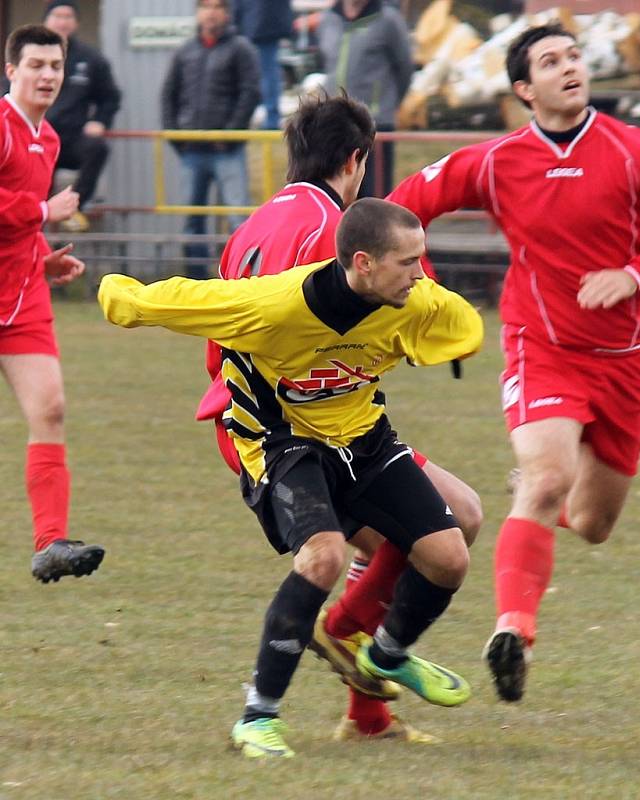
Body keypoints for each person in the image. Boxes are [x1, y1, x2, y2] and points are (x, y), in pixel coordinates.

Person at [386, 23, 640, 702]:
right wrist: (422, 293)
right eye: (550, 61)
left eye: (573, 56)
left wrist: (635, 275)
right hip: (542, 351)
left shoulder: (639, 154)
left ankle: (536, 507)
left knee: (594, 523)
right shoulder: (495, 161)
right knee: (545, 480)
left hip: (628, 362)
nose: (570, 67)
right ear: (523, 89)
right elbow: (402, 208)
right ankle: (513, 631)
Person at [98, 197, 483, 758]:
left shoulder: (416, 301)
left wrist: (451, 343)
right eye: (409, 262)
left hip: (364, 437)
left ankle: (387, 655)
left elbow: (459, 322)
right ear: (364, 263)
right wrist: (117, 295)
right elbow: (175, 299)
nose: (421, 274)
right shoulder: (274, 306)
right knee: (323, 556)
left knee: (449, 558)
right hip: (282, 444)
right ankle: (258, 717)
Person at [196, 92, 482, 742]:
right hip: (293, 432)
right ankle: (329, 661)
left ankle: (367, 707)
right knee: (401, 544)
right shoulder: (341, 234)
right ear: (357, 159)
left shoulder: (252, 225)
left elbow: (223, 332)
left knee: (452, 519)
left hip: (259, 414)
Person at [1, 24, 105, 583]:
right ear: (11, 70)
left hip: (21, 296)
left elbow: (13, 223)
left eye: (56, 66)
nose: (47, 75)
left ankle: (50, 543)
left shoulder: (51, 139)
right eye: (35, 64)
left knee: (51, 409)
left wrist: (43, 256)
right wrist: (44, 215)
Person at [160, 0, 261, 277]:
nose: (211, 12)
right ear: (197, 12)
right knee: (192, 219)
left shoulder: (241, 49)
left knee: (237, 218)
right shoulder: (185, 52)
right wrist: (175, 136)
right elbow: (169, 95)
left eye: (217, 6)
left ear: (227, 13)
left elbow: (250, 92)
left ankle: (240, 281)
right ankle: (196, 280)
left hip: (228, 151)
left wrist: (229, 134)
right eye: (205, 6)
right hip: (191, 150)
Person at [317, 0, 414, 198]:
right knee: (336, 196)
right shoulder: (328, 19)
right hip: (335, 125)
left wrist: (387, 104)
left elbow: (404, 68)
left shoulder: (388, 21)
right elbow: (327, 64)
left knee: (373, 199)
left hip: (374, 126)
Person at [42, 1, 121, 233]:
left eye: (68, 16)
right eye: (57, 15)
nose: (62, 21)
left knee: (97, 147)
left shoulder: (90, 59)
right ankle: (39, 220)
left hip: (73, 137)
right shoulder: (32, 54)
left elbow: (110, 97)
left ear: (76, 23)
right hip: (40, 138)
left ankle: (74, 205)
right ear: (46, 20)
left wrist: (100, 121)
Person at [231, 0, 293, 130]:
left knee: (265, 74)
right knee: (267, 74)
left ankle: (270, 119)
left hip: (257, 23)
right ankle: (270, 118)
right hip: (264, 22)